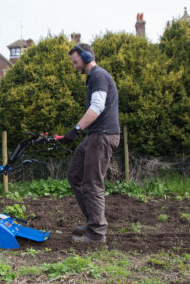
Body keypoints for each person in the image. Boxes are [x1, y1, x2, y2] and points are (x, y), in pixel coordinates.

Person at [58, 43, 120, 243]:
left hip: (102, 136)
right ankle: (93, 219)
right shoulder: (92, 78)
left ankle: (96, 234)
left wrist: (76, 130)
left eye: (75, 62)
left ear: (85, 57)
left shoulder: (98, 75)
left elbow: (97, 106)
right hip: (94, 136)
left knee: (93, 183)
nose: (74, 66)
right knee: (75, 175)